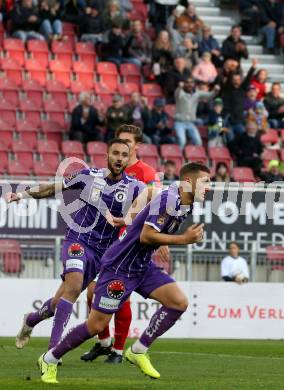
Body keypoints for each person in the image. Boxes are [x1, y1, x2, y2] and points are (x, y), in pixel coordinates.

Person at [37, 162, 210, 384]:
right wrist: (183, 239)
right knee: (96, 325)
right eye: (205, 182)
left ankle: (138, 350)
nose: (209, 187)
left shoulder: (185, 203)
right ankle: (49, 359)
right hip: (119, 268)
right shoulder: (168, 199)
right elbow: (146, 236)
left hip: (142, 266)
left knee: (178, 302)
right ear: (189, 182)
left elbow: (147, 199)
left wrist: (130, 218)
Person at [10, 139, 145, 353]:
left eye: (123, 155)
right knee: (73, 287)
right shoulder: (88, 175)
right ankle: (53, 352)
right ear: (107, 156)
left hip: (102, 253)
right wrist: (21, 194)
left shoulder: (136, 187)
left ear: (128, 159)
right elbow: (53, 188)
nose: (119, 158)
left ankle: (31, 320)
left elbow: (152, 209)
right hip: (78, 239)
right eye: (115, 153)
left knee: (57, 303)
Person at [81, 124, 161, 364]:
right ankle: (104, 342)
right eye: (119, 143)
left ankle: (117, 349)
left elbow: (157, 205)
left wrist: (159, 237)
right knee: (93, 292)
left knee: (119, 294)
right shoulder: (109, 171)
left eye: (127, 142)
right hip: (104, 238)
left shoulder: (146, 172)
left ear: (137, 146)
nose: (122, 147)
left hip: (128, 240)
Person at [174, 77, 219, 149]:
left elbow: (209, 96)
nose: (189, 84)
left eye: (191, 83)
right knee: (182, 141)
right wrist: (179, 87)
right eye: (187, 82)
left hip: (190, 123)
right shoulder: (181, 93)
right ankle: (179, 157)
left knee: (198, 142)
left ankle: (193, 156)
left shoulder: (197, 93)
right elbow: (177, 94)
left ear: (194, 84)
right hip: (180, 122)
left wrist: (215, 90)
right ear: (184, 84)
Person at [222, 58, 257, 135]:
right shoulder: (228, 89)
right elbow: (228, 80)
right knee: (230, 138)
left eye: (238, 80)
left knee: (243, 135)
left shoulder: (242, 89)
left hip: (239, 121)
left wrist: (253, 67)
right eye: (234, 80)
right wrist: (231, 70)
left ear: (240, 80)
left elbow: (248, 79)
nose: (236, 81)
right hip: (228, 121)